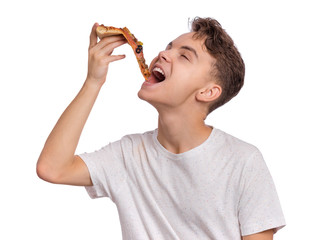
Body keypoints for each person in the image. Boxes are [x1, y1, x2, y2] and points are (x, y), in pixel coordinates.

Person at [37, 17, 286, 240]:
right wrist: (93, 81)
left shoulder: (243, 161)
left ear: (208, 92)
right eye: (169, 47)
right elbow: (52, 168)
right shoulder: (128, 155)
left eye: (184, 56)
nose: (163, 54)